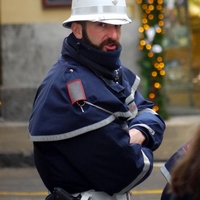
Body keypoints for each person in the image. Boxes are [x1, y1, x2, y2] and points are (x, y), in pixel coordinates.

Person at [28, 0, 166, 199]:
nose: (113, 36)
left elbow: (148, 112)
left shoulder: (110, 70)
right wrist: (143, 138)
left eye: (117, 26)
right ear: (77, 29)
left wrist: (138, 133)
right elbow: (127, 169)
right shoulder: (65, 87)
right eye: (102, 25)